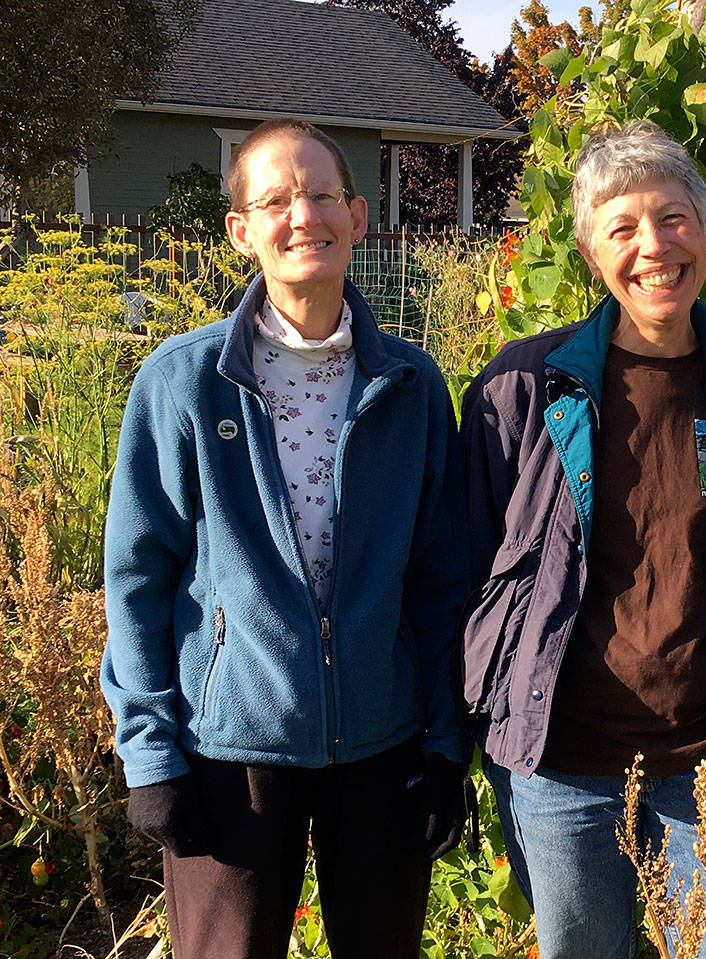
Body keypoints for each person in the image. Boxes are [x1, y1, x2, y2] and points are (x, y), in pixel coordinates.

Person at [101, 118, 469, 959]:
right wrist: (150, 754)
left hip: (383, 744)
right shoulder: (184, 382)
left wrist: (445, 744)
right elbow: (136, 575)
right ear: (241, 231)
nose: (304, 215)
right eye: (276, 200)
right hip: (229, 751)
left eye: (323, 195)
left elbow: (440, 577)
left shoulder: (410, 384)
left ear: (358, 217)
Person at [460, 119, 706, 959]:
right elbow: (467, 571)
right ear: (591, 255)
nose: (654, 246)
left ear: (705, 231)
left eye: (673, 217)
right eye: (623, 228)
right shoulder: (523, 388)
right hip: (561, 764)